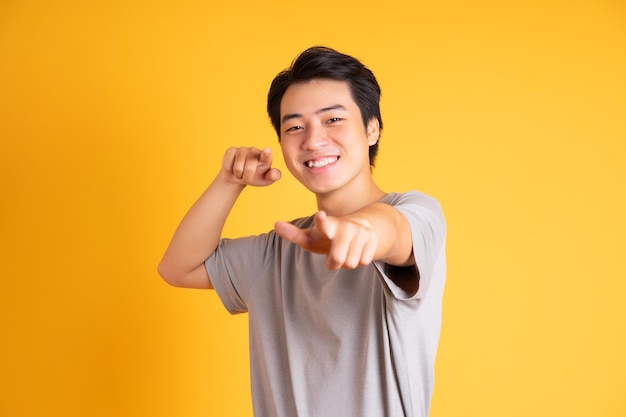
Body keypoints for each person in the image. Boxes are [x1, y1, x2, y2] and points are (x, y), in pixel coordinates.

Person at [158, 46, 447, 417]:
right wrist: (228, 181)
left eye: (333, 120)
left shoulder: (417, 211)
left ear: (371, 128)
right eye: (294, 126)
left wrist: (358, 232)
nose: (312, 140)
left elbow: (392, 233)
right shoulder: (278, 252)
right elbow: (177, 268)